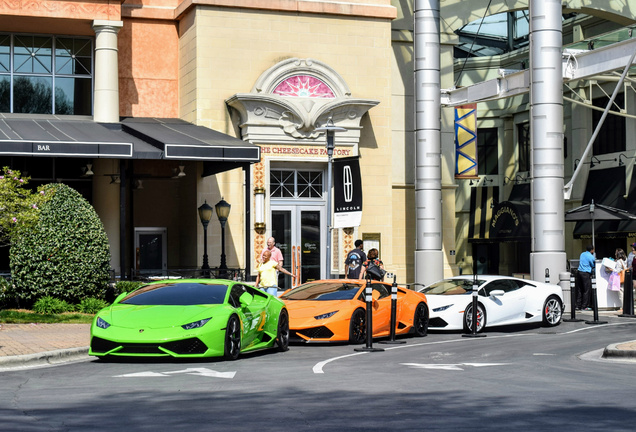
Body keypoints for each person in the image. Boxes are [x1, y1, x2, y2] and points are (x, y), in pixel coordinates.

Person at [576, 244, 595, 311]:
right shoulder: (591, 256)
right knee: (586, 290)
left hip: (579, 272)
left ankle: (578, 305)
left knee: (579, 289)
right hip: (586, 274)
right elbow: (593, 264)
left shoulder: (582, 254)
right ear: (592, 250)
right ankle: (584, 306)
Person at [609, 248, 628, 313]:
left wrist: (611, 269)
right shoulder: (625, 260)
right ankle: (626, 306)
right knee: (624, 293)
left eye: (616, 253)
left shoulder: (618, 261)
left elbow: (617, 271)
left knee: (621, 293)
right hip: (625, 278)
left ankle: (623, 307)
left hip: (620, 279)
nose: (615, 254)